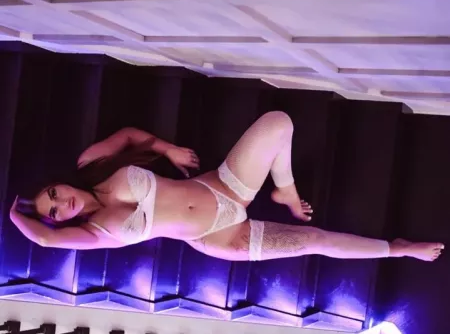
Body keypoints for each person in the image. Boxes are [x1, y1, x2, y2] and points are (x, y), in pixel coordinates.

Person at [10, 112, 444, 263]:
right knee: (314, 240)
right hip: (220, 236)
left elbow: (126, 136)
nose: (61, 204)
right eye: (54, 212)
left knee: (279, 122)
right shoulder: (92, 233)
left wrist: (168, 150)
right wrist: (15, 216)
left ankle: (286, 191)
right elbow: (45, 241)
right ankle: (399, 249)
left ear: (57, 181)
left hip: (222, 188)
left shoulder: (91, 164)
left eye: (53, 194)